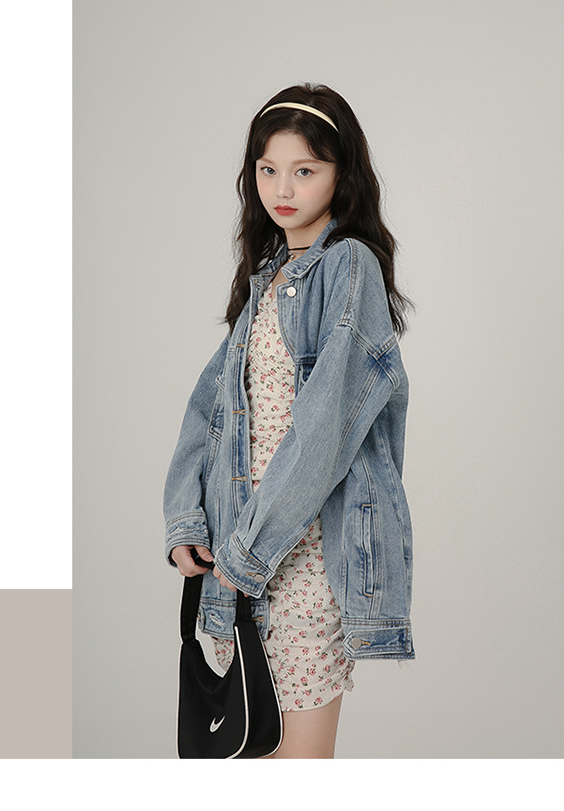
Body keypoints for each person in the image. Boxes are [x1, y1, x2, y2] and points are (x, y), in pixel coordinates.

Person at [163, 83, 415, 759]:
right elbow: (210, 408)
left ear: (342, 174)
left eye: (305, 169)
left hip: (302, 557)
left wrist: (248, 553)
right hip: (239, 558)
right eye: (268, 168)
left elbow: (324, 429)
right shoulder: (270, 273)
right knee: (254, 757)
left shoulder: (348, 266)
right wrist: (187, 522)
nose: (283, 187)